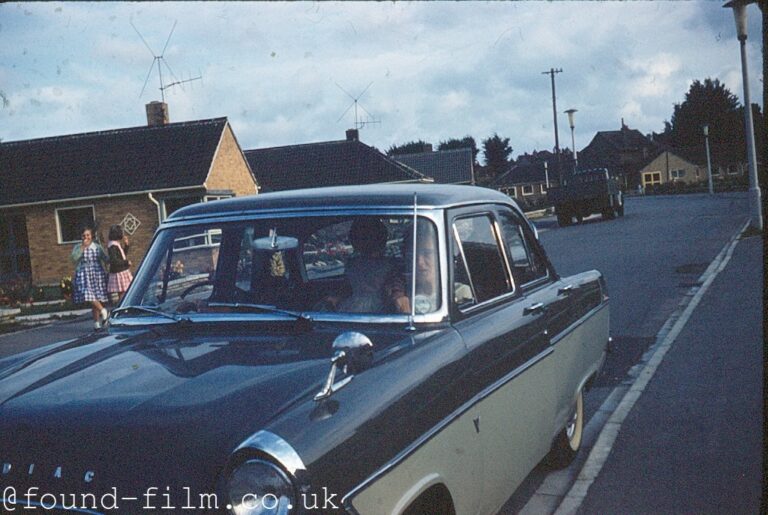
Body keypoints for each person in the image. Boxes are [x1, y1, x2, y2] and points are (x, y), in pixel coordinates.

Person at [71, 225, 109, 329]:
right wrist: (83, 247)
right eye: (84, 235)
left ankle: (96, 324)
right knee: (88, 294)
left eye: (88, 235)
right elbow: (74, 258)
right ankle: (103, 311)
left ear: (91, 236)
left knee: (95, 298)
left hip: (97, 273)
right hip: (84, 274)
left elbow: (105, 258)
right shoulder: (78, 247)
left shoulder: (96, 246)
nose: (86, 237)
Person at [107, 225, 133, 305]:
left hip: (122, 270)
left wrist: (126, 246)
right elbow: (114, 261)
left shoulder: (116, 244)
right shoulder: (113, 246)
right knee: (122, 293)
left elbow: (122, 256)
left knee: (125, 291)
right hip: (119, 272)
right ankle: (122, 307)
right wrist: (126, 262)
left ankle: (124, 306)